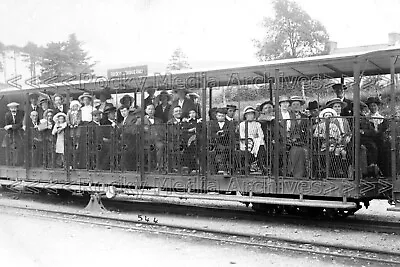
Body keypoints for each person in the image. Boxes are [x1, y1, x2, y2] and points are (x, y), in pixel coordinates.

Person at [136, 103, 165, 171]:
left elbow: (163, 131)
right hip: (146, 141)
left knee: (160, 146)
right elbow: (136, 131)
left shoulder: (159, 120)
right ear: (146, 110)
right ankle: (152, 165)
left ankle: (159, 166)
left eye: (152, 109)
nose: (151, 111)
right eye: (149, 109)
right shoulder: (140, 120)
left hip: (157, 141)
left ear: (154, 111)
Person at [239, 106, 268, 175]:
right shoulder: (242, 124)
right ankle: (251, 165)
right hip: (246, 142)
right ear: (245, 116)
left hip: (256, 141)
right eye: (248, 114)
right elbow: (242, 136)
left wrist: (256, 138)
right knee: (252, 145)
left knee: (260, 144)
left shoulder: (257, 124)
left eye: (252, 114)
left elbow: (261, 135)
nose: (250, 116)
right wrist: (252, 137)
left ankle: (260, 165)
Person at [287, 96, 309, 178]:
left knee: (304, 151)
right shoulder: (288, 116)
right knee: (296, 151)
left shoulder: (305, 117)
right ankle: (294, 173)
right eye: (294, 104)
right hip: (291, 141)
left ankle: (305, 173)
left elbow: (308, 128)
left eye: (298, 104)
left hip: (303, 140)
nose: (296, 106)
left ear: (301, 106)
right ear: (291, 106)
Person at [209, 108, 235, 175]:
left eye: (222, 116)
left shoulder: (229, 123)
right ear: (216, 116)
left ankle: (226, 169)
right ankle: (223, 170)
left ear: (225, 116)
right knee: (221, 150)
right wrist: (217, 135)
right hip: (215, 144)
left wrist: (224, 132)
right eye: (219, 116)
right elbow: (211, 134)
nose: (220, 117)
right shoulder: (212, 123)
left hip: (227, 143)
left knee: (226, 150)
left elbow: (231, 133)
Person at [258, 100, 275, 174]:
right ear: (262, 111)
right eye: (266, 108)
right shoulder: (261, 119)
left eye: (270, 107)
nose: (268, 109)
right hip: (264, 140)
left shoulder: (275, 118)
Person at [182, 109, 201, 173]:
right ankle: (190, 167)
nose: (192, 114)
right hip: (188, 139)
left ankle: (197, 167)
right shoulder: (186, 122)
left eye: (193, 112)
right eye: (190, 113)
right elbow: (184, 130)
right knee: (189, 152)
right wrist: (189, 130)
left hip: (197, 139)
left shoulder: (199, 121)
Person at [167, 106, 184, 172]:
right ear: (173, 113)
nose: (178, 112)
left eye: (180, 111)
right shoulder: (170, 122)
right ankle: (175, 167)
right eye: (176, 111)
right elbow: (174, 133)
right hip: (174, 141)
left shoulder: (185, 120)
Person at [66, 100, 82, 168]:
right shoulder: (69, 112)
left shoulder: (79, 112)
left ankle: (77, 146)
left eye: (76, 106)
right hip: (71, 129)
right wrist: (69, 124)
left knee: (77, 139)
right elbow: (67, 118)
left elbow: (79, 118)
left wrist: (77, 124)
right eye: (73, 106)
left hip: (77, 128)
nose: (75, 107)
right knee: (72, 140)